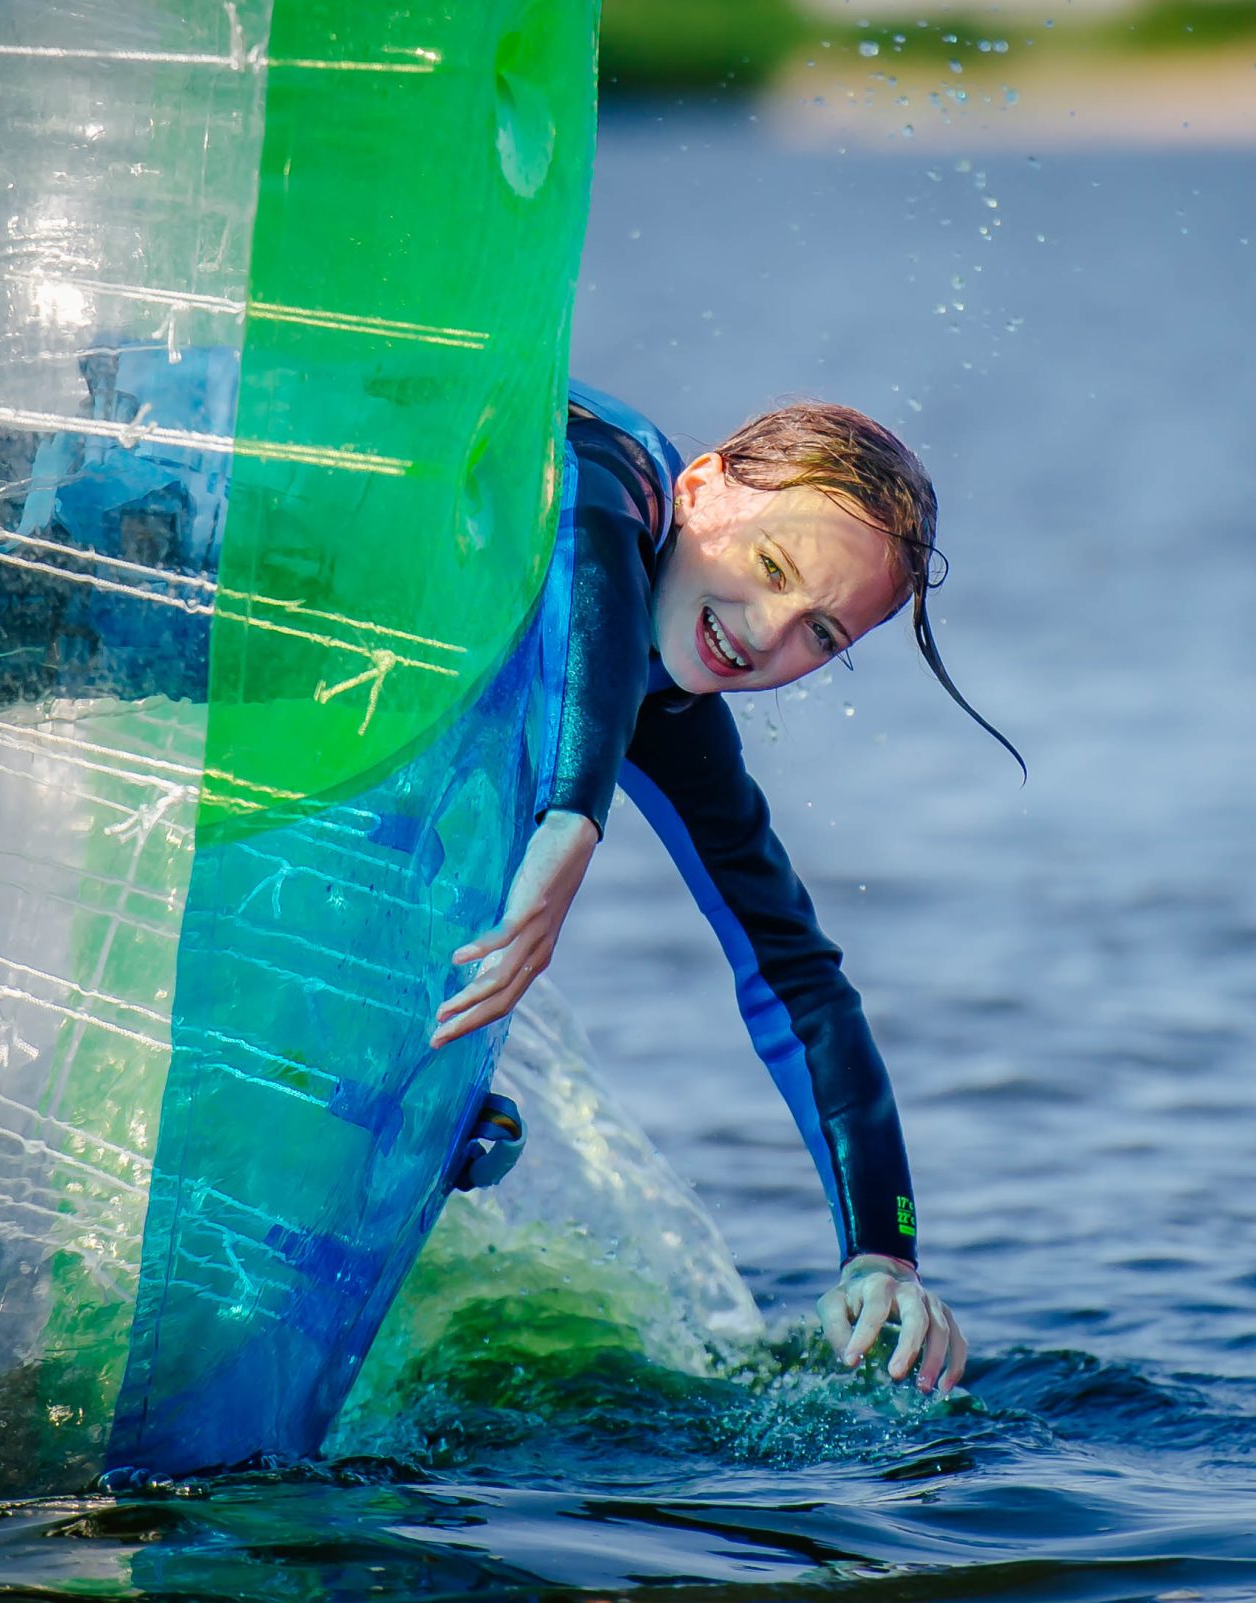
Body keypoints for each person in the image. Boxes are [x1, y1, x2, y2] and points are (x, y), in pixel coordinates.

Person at [426, 382, 1015, 1398]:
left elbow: (800, 981)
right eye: (773, 567)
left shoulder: (667, 703)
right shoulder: (597, 470)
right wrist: (573, 816)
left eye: (821, 634)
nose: (766, 631)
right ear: (701, 489)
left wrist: (883, 1253)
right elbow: (589, 555)